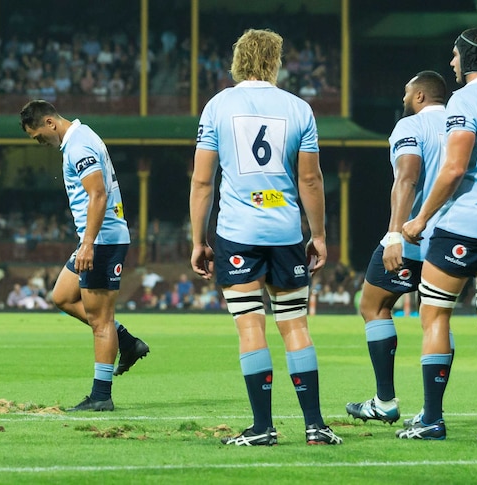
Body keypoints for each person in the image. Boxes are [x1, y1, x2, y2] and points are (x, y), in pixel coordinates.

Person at [189, 29, 341, 446]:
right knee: (295, 326)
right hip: (285, 230)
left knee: (250, 326)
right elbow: (310, 178)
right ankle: (315, 425)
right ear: (275, 62)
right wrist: (320, 235)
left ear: (238, 60)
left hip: (238, 231)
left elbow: (203, 181)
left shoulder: (218, 105)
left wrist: (199, 240)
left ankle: (262, 428)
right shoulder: (298, 108)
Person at [20, 99, 149, 412]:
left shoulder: (79, 146)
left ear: (50, 122)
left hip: (102, 240)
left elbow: (98, 194)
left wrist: (89, 243)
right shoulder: (82, 138)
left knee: (99, 320)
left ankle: (101, 395)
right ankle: (127, 341)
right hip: (95, 239)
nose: (40, 142)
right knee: (62, 296)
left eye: (38, 136)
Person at [345, 72, 450, 428]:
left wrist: (394, 235)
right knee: (439, 315)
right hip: (457, 237)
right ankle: (432, 411)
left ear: (419, 96)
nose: (403, 98)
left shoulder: (410, 127)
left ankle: (385, 401)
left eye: (407, 92)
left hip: (414, 237)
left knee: (373, 306)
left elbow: (407, 177)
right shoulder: (464, 124)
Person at [400, 28, 477, 441]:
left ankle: (432, 419)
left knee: (435, 312)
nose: (451, 63)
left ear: (469, 59)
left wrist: (420, 219)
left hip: (465, 224)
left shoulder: (465, 99)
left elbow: (454, 169)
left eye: (455, 56)